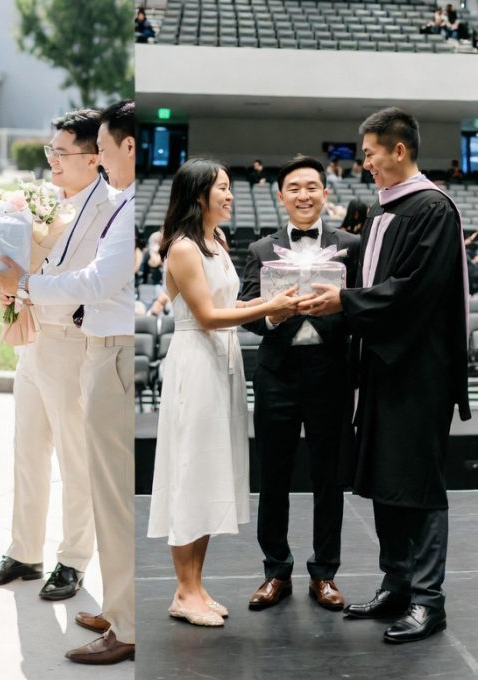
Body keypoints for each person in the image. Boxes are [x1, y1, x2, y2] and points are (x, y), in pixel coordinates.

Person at [300, 107, 470, 644]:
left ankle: (428, 598)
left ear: (400, 151)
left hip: (418, 369)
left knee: (416, 482)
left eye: (371, 153)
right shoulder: (380, 212)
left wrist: (344, 302)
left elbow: (414, 291)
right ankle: (397, 582)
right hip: (379, 366)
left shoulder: (433, 210)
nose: (364, 163)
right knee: (385, 479)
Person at [0, 100, 136, 666]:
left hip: (76, 341)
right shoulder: (42, 201)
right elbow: (34, 265)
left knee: (77, 457)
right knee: (27, 447)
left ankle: (74, 558)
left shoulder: (111, 207)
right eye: (50, 150)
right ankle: (24, 550)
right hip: (33, 335)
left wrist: (25, 283)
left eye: (62, 152)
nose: (52, 160)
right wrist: (9, 280)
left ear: (96, 157)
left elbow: (89, 281)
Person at [147, 159, 302, 628]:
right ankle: (183, 591)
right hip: (196, 359)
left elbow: (229, 305)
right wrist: (270, 305)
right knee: (190, 470)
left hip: (223, 360)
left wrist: (271, 304)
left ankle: (196, 586)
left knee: (211, 471)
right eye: (223, 188)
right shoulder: (183, 248)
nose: (231, 195)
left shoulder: (215, 243)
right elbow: (207, 316)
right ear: (199, 195)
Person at [240, 156, 360, 612]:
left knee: (328, 476)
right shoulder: (260, 250)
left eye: (312, 187)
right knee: (273, 475)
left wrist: (339, 306)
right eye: (294, 188)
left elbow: (363, 303)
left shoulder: (351, 243)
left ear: (325, 194)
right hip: (278, 374)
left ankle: (325, 573)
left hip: (331, 372)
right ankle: (275, 571)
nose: (304, 195)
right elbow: (249, 313)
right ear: (281, 196)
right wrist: (273, 312)